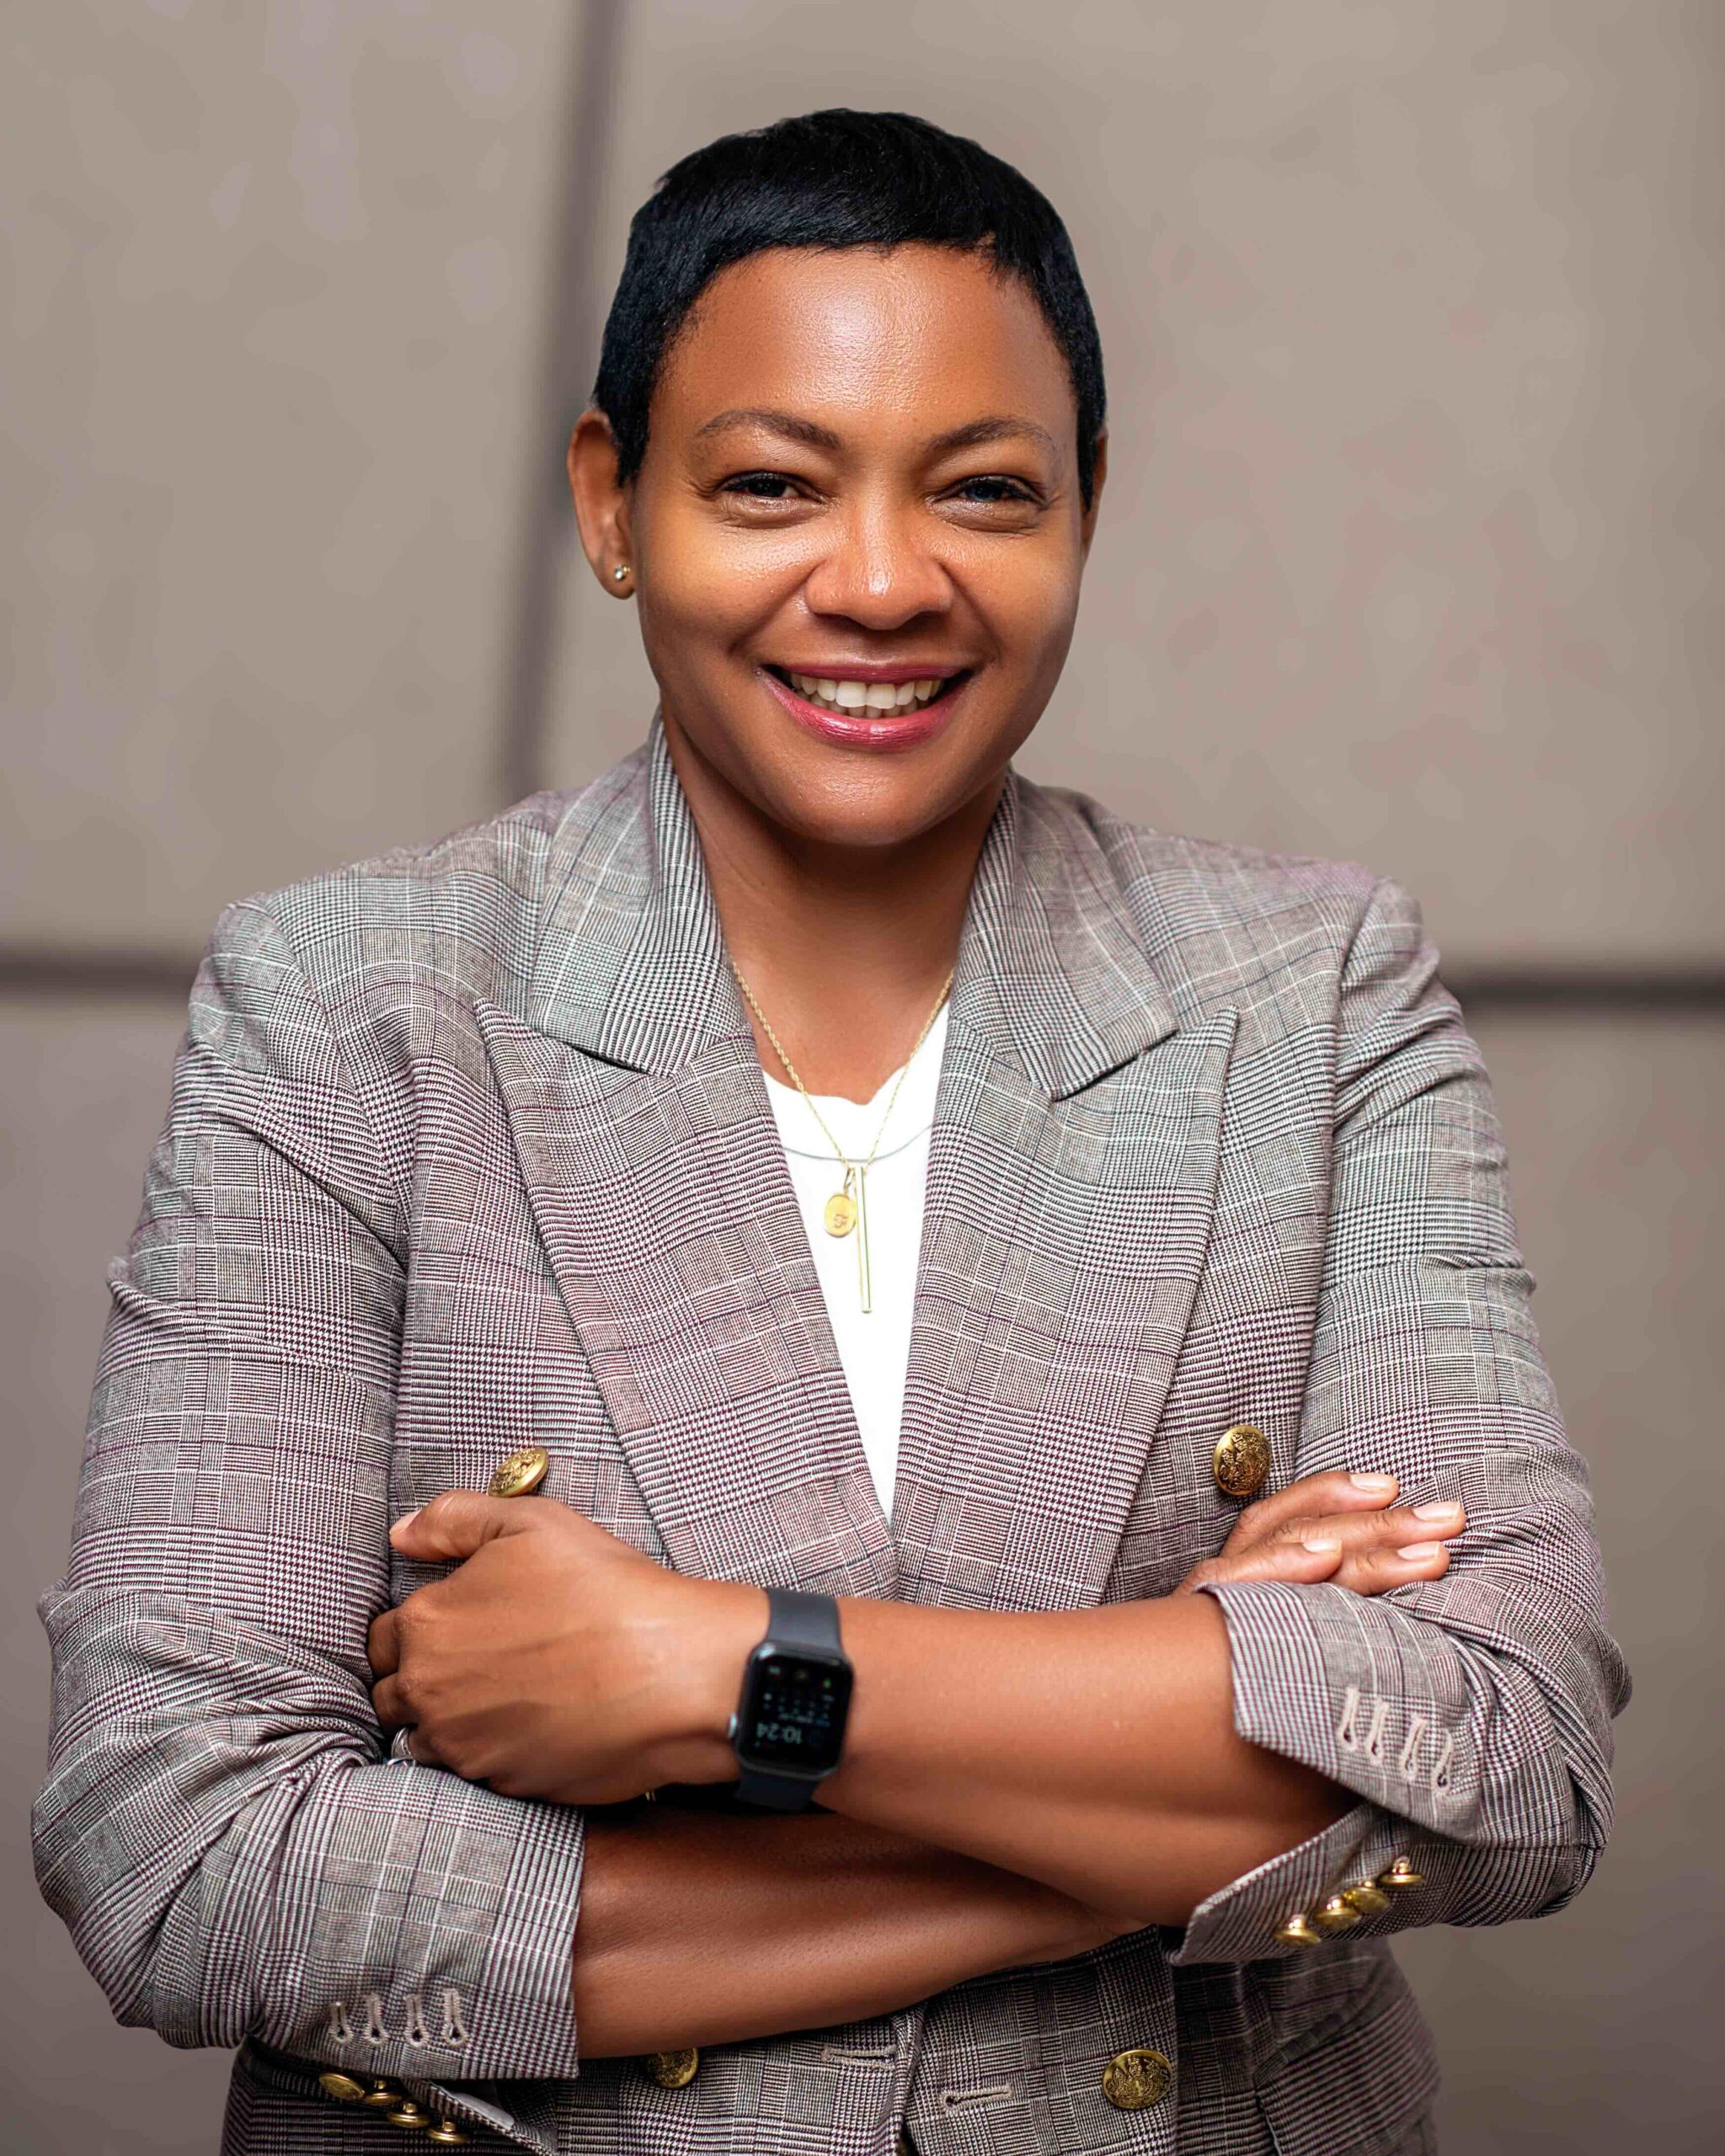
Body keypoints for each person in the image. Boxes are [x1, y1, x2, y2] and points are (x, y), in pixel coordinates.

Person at [35, 109, 1628, 2156]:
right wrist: (1165, 1725)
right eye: (772, 485)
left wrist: (726, 1669)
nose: (880, 582)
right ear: (611, 501)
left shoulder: (1313, 996)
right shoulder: (347, 1006)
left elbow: (1511, 1755)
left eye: (983, 489)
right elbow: (183, 1853)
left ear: (1086, 506)